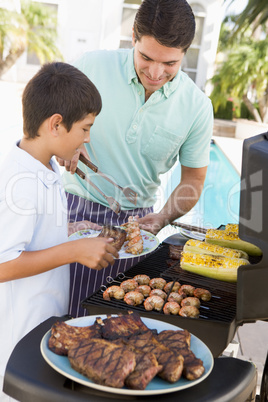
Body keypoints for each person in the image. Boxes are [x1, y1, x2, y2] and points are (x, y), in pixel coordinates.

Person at [58, 0, 214, 318]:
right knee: (55, 316)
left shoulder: (197, 107)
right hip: (70, 211)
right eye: (146, 57)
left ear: (186, 51)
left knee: (113, 326)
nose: (155, 73)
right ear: (133, 36)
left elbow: (193, 181)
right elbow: (46, 121)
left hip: (138, 229)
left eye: (169, 63)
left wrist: (162, 218)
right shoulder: (90, 65)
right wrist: (65, 141)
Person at [0, 62, 118, 402]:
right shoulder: (18, 183)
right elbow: (4, 263)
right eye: (85, 128)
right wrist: (73, 252)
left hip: (42, 324)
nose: (88, 138)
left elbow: (33, 232)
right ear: (56, 124)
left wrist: (71, 231)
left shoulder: (46, 165)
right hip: (17, 338)